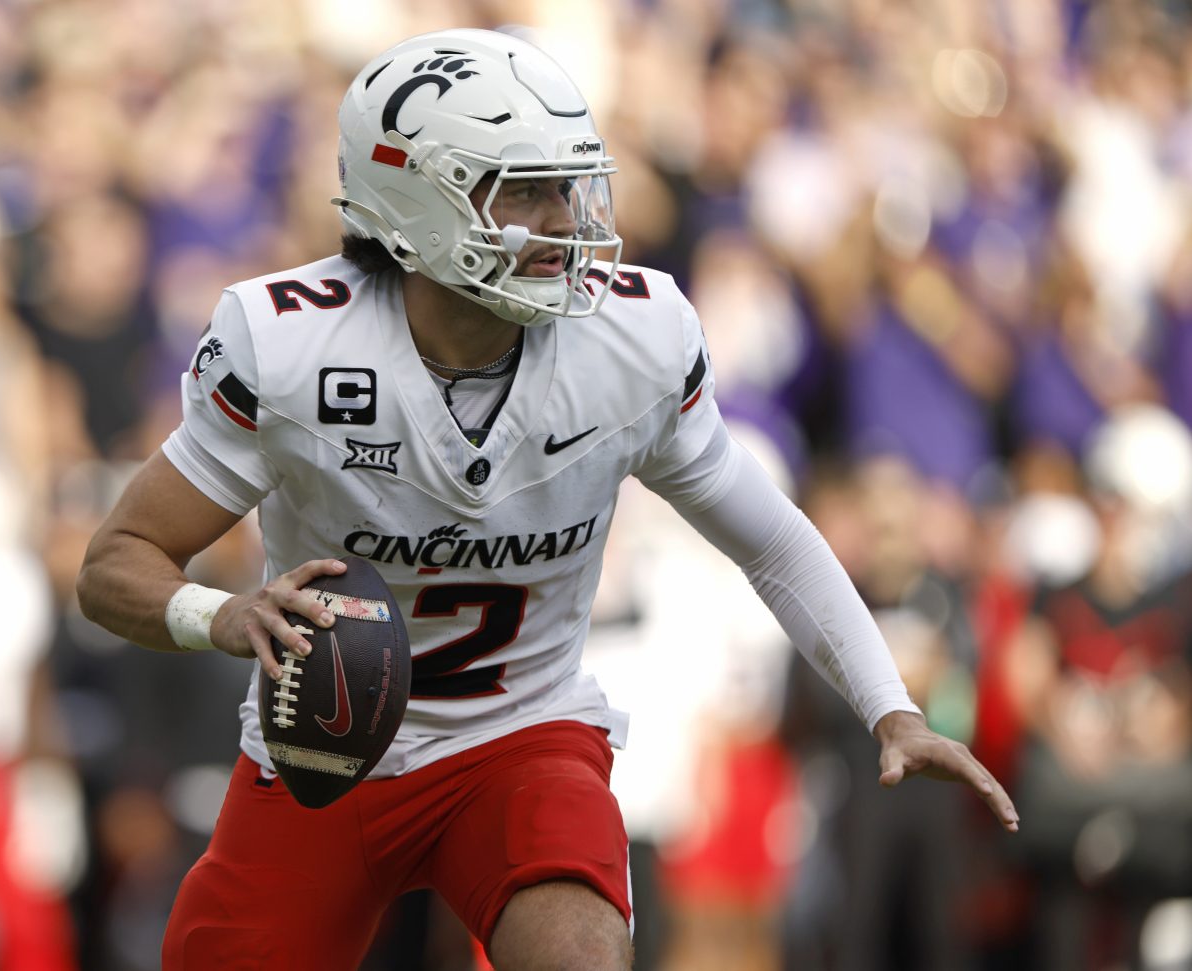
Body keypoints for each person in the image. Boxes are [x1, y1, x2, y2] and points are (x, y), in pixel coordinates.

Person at [76, 27, 1019, 971]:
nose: (565, 218)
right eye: (521, 187)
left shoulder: (631, 339)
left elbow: (768, 540)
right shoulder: (290, 347)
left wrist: (889, 705)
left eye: (566, 185)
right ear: (413, 201)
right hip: (327, 747)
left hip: (520, 732)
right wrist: (222, 611)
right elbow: (116, 562)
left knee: (578, 950)